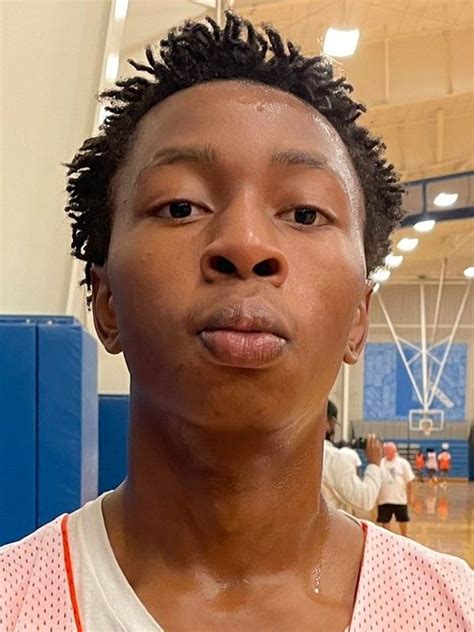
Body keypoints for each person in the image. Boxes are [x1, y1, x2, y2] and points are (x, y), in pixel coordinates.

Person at [1, 13, 471, 632]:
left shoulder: (454, 610)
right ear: (106, 299)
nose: (246, 243)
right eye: (180, 206)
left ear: (358, 317)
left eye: (304, 213)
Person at [322, 400, 384, 513]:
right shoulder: (333, 458)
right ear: (326, 421)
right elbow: (365, 500)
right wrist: (374, 464)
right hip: (326, 522)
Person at [377, 442, 415, 537]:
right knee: (384, 521)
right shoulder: (380, 463)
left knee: (403, 520)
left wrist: (411, 496)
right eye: (384, 450)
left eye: (387, 450)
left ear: (394, 451)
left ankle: (404, 537)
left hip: (399, 499)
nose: (385, 452)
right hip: (384, 499)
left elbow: (409, 481)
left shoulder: (403, 463)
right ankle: (386, 539)